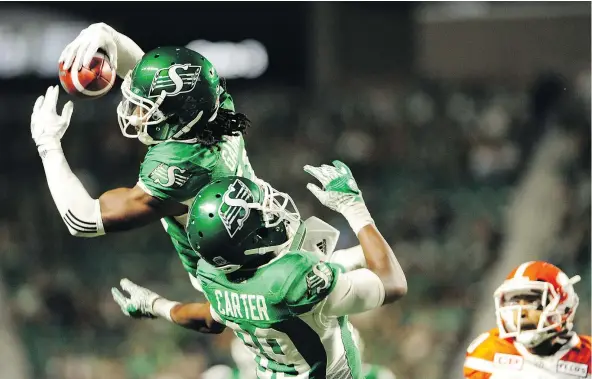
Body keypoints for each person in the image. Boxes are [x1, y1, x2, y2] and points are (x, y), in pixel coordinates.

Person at [111, 160, 408, 379]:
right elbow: (392, 284)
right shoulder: (293, 282)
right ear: (248, 242)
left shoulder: (217, 278)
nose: (271, 212)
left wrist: (155, 305)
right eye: (262, 214)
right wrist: (353, 208)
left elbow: (208, 318)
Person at [32, 23, 255, 284]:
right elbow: (157, 83)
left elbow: (82, 220)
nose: (136, 114)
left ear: (179, 118)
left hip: (230, 283)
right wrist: (109, 36)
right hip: (249, 236)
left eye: (145, 109)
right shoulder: (215, 106)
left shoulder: (182, 165)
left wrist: (48, 144)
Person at [463, 261, 591, 379]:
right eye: (514, 303)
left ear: (563, 308)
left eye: (533, 302)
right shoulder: (488, 352)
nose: (521, 313)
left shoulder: (588, 357)